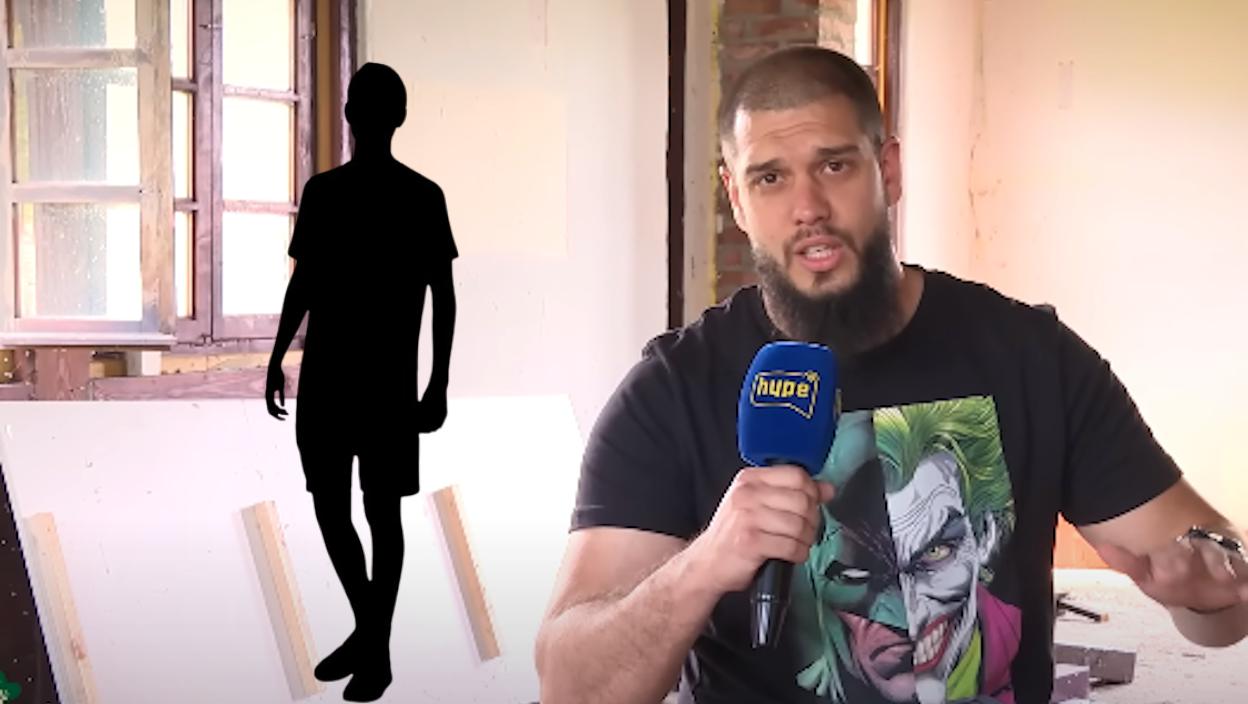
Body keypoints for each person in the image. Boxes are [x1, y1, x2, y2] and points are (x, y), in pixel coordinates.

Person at [533, 46, 1247, 704]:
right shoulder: (672, 391)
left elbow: (1221, 598)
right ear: (736, 198)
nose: (808, 208)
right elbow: (571, 687)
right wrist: (703, 566)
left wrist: (1208, 587)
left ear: (889, 170)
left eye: (834, 166)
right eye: (770, 177)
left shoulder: (1033, 358)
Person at [265, 62, 458, 702]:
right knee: (356, 510)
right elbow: (307, 283)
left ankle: (372, 645)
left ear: (354, 114)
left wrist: (438, 384)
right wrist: (278, 356)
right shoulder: (353, 194)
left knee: (367, 511)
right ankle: (373, 637)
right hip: (355, 382)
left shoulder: (405, 196)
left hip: (363, 383)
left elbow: (443, 295)